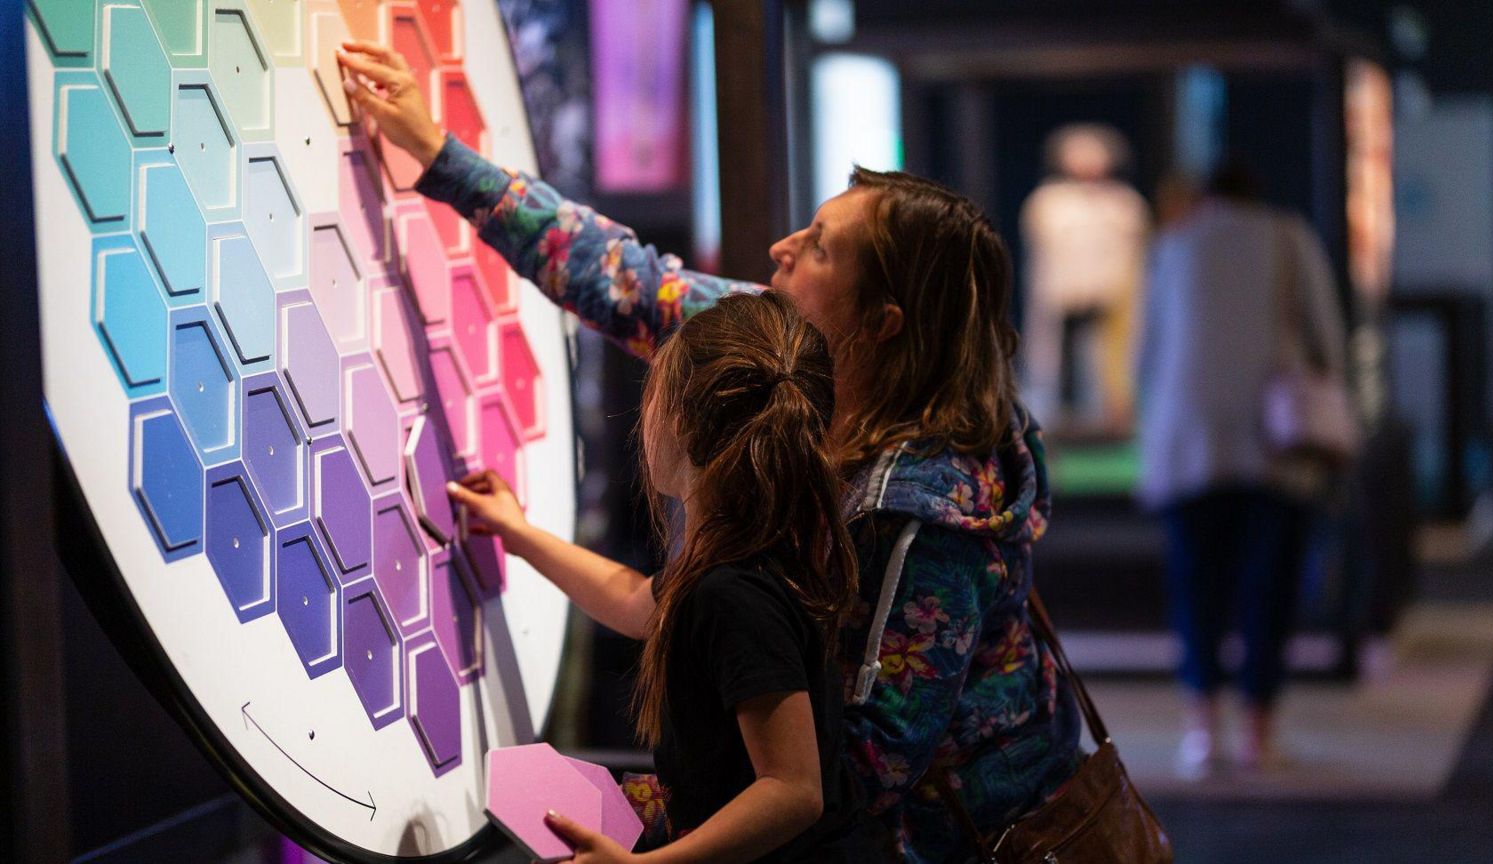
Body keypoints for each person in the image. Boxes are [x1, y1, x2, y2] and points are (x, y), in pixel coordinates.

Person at [338, 40, 1080, 861]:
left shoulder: (925, 513)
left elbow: (856, 772)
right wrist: (439, 156)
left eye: (821, 247)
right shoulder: (788, 346)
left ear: (881, 324)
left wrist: (656, 815)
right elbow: (621, 279)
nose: (780, 250)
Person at [452, 292, 872, 860]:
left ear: (676, 419)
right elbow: (633, 600)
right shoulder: (750, 555)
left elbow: (794, 791)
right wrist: (519, 534)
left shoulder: (734, 591)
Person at [1136, 162, 1349, 779]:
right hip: (1274, 444)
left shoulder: (1172, 245)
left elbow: (1143, 354)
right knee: (1267, 591)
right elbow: (1328, 340)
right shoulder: (1289, 236)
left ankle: (1202, 733)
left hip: (1187, 446)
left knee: (1195, 587)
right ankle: (1259, 733)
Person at [1019, 124, 1150, 438]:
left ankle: (1109, 419)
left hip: (1112, 298)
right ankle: (1057, 420)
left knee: (1105, 365)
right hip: (1062, 298)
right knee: (1057, 365)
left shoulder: (1126, 204)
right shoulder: (1047, 202)